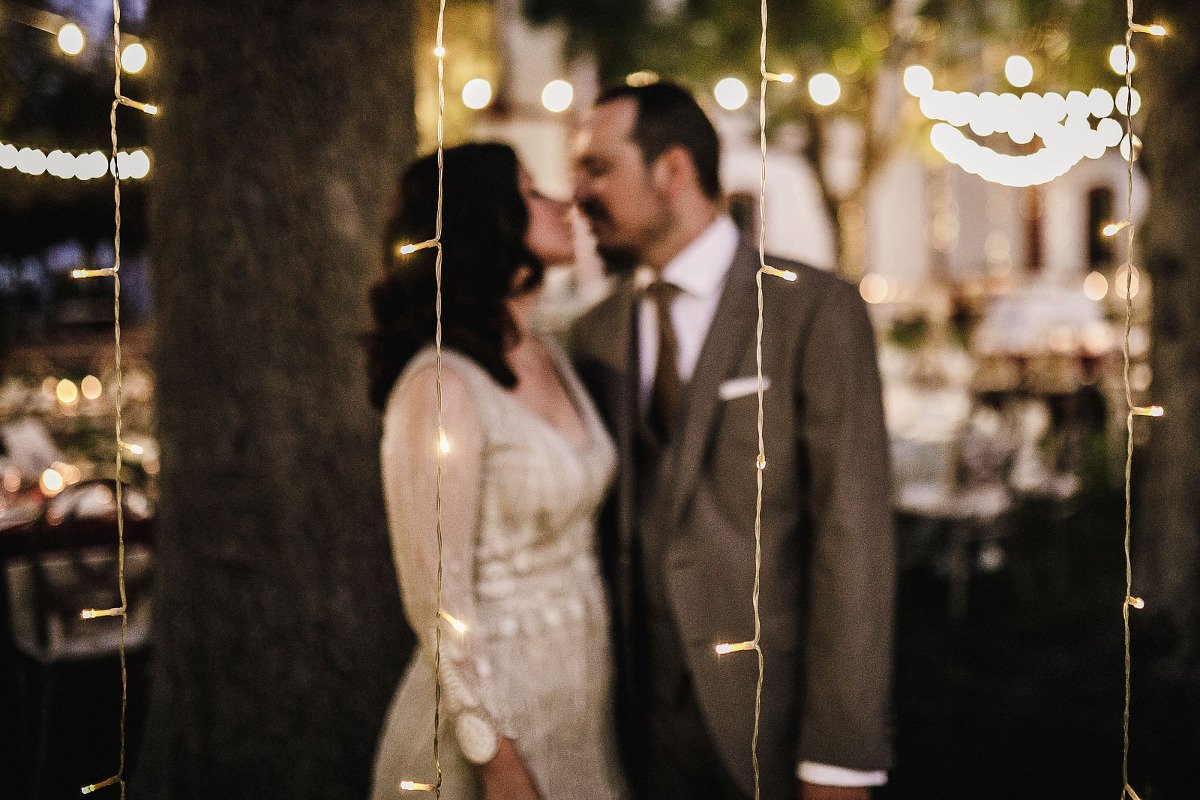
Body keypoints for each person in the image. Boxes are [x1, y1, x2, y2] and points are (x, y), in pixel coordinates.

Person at [570, 81, 896, 800]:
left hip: (770, 727)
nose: (577, 195)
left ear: (673, 171)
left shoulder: (813, 310)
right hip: (632, 739)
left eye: (597, 168)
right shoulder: (592, 335)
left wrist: (838, 761)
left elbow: (855, 538)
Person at [367, 143, 626, 800]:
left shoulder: (548, 353)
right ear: (488, 220)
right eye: (533, 191)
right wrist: (496, 760)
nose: (563, 204)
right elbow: (437, 601)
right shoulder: (439, 385)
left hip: (578, 705)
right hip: (486, 728)